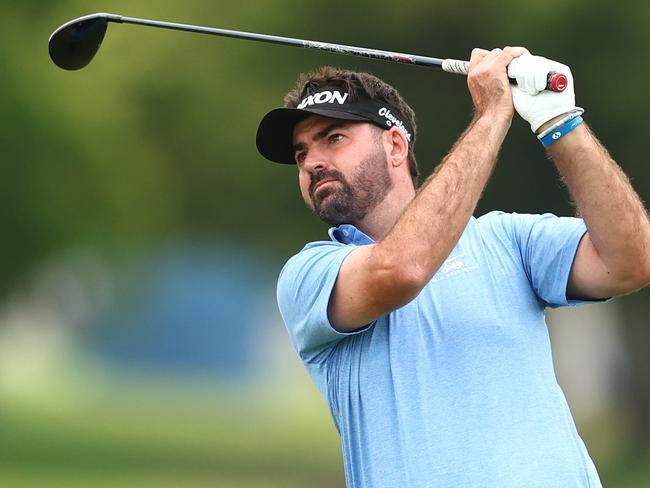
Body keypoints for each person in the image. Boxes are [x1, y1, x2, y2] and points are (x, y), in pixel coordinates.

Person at [255, 47, 650, 487]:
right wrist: (491, 115)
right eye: (300, 154)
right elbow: (403, 269)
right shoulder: (309, 275)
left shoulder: (506, 239)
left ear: (395, 144)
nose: (312, 162)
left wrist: (560, 124)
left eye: (334, 138)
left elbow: (631, 263)